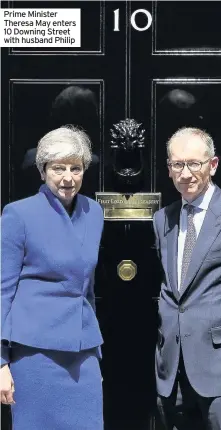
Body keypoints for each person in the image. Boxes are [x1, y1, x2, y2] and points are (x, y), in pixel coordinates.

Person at [1, 125, 104, 430]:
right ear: (42, 170)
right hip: (35, 355)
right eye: (58, 168)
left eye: (76, 168)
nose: (68, 178)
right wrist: (1, 362)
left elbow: (88, 288)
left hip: (82, 355)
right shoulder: (18, 215)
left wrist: (95, 352)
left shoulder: (94, 212)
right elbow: (2, 289)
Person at [153, 127, 221, 430]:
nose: (186, 173)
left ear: (213, 165)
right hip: (173, 372)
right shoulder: (162, 219)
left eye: (195, 163)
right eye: (177, 164)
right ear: (169, 170)